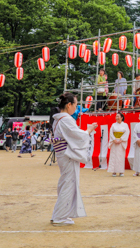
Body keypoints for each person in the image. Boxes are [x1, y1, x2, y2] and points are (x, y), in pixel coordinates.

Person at [51, 92, 98, 226]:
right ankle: (60, 216)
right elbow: (77, 135)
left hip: (63, 153)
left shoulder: (59, 119)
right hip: (67, 154)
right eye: (76, 105)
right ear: (69, 105)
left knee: (65, 182)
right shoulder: (65, 119)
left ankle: (58, 214)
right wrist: (88, 131)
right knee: (68, 183)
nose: (76, 108)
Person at [108, 113, 130, 177]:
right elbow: (111, 133)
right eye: (116, 116)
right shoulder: (113, 125)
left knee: (120, 157)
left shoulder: (125, 125)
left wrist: (121, 139)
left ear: (122, 117)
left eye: (118, 116)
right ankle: (114, 171)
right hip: (114, 142)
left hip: (121, 142)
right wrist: (114, 139)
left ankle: (121, 171)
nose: (117, 117)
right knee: (113, 156)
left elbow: (127, 133)